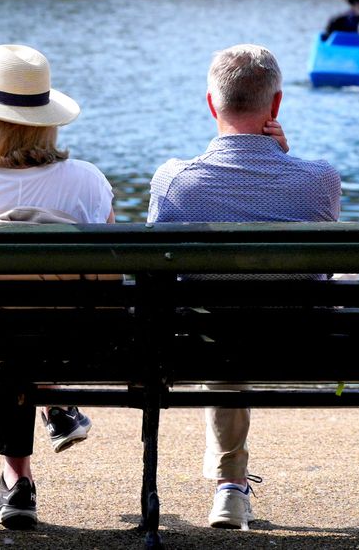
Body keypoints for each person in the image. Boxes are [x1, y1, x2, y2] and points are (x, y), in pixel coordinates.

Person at [147, 44, 341, 529]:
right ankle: (232, 485)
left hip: (203, 344)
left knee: (216, 319)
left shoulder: (174, 181)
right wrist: (284, 159)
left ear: (212, 104)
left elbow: (158, 277)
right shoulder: (321, 180)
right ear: (275, 106)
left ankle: (229, 486)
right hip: (299, 342)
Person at [0, 44, 115, 531]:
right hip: (72, 348)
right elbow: (110, 277)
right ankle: (28, 459)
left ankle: (19, 480)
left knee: (0, 334)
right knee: (27, 334)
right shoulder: (88, 183)